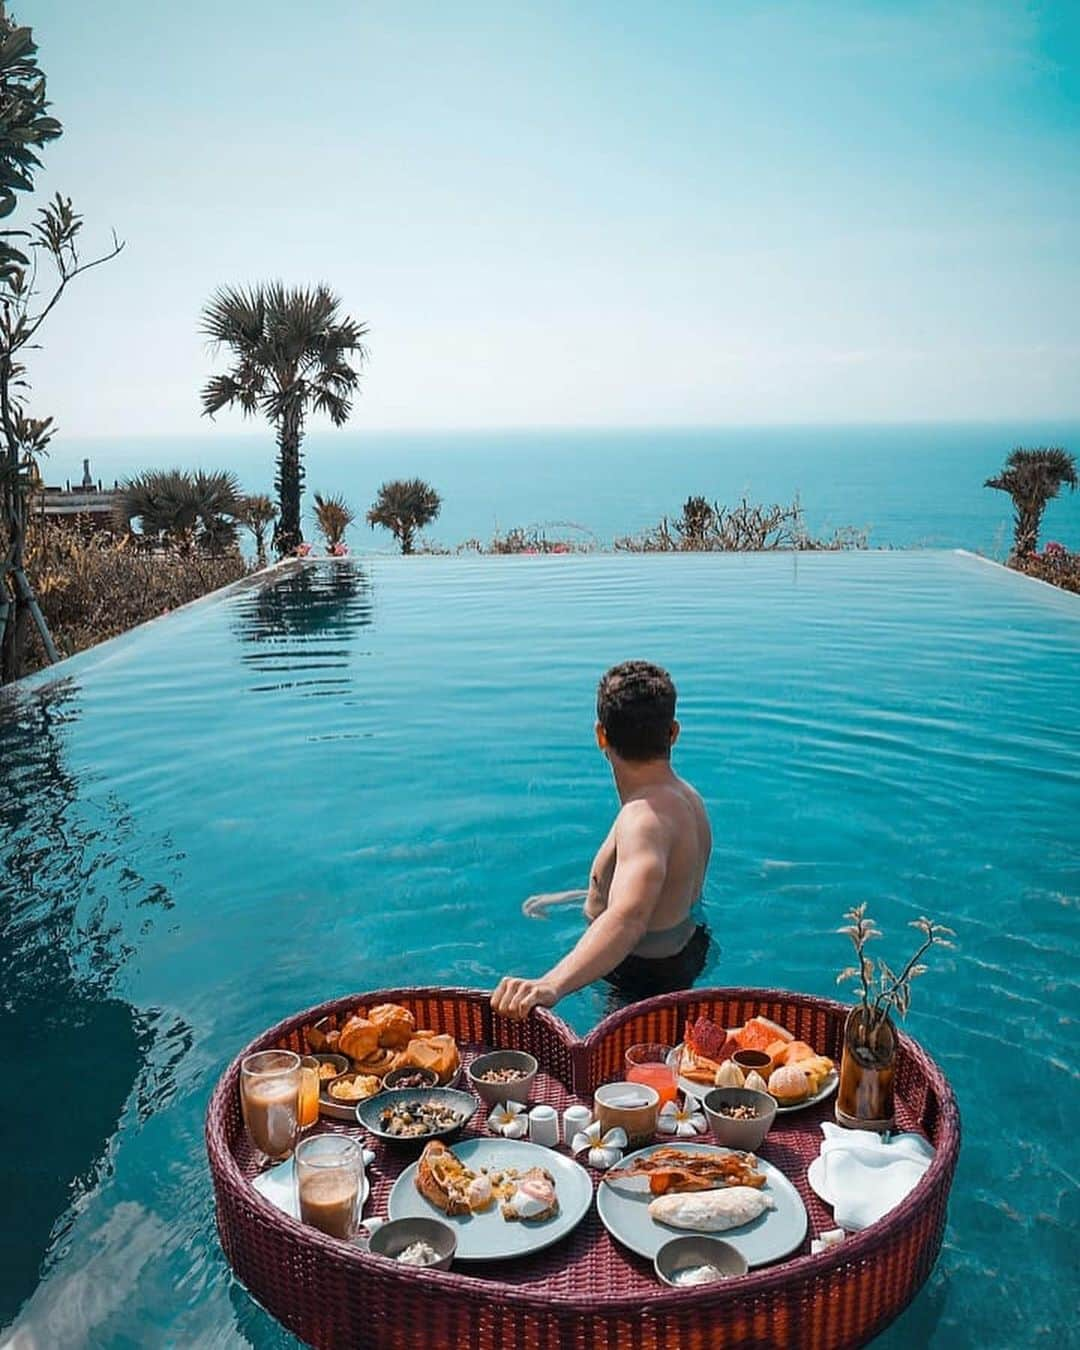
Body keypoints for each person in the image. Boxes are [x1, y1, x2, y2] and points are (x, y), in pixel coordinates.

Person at [491, 660, 712, 1019]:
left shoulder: (642, 819)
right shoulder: (688, 798)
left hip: (638, 979)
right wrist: (574, 898)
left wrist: (551, 983)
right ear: (673, 732)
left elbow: (629, 918)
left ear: (600, 736)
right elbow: (659, 890)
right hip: (687, 950)